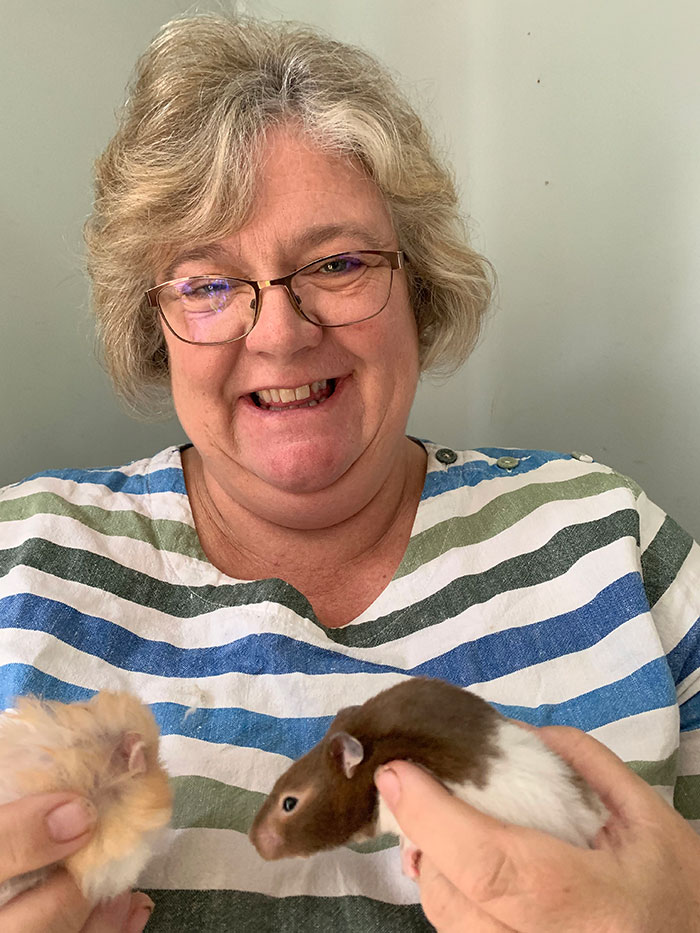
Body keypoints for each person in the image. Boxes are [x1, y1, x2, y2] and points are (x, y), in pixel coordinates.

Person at [0, 11, 698, 932]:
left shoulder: (611, 541)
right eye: (208, 284)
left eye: (337, 263)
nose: (281, 332)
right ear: (155, 328)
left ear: (420, 287)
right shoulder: (20, 563)